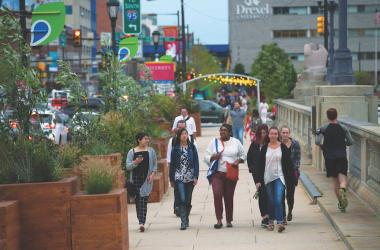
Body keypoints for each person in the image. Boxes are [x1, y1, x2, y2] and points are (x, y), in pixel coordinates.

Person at [205, 124, 245, 229]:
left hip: (230, 173)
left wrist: (238, 161)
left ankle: (229, 220)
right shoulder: (214, 142)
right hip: (217, 173)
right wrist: (214, 157)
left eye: (225, 130)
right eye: (221, 130)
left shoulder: (236, 142)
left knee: (228, 197)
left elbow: (243, 155)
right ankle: (219, 220)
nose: (222, 132)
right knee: (217, 194)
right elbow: (206, 156)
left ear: (230, 132)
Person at [315, 108, 353, 212]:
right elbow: (350, 141)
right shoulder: (343, 128)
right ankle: (343, 189)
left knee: (335, 181)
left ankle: (341, 203)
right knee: (342, 179)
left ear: (327, 116)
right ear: (337, 115)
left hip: (329, 157)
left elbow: (317, 141)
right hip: (341, 155)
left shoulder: (323, 128)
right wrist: (342, 144)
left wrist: (323, 146)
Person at [256, 127, 293, 232]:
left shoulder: (283, 147)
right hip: (267, 178)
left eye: (275, 134)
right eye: (271, 133)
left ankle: (280, 222)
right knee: (271, 200)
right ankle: (271, 221)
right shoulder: (264, 148)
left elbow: (289, 164)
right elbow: (259, 165)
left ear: (278, 135)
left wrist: (290, 178)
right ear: (268, 135)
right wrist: (258, 180)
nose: (273, 135)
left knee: (278, 199)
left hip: (280, 177)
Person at [126, 132, 157, 232]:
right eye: (145, 139)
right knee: (138, 201)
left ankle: (141, 222)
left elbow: (155, 165)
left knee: (143, 201)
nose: (147, 141)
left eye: (148, 139)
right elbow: (128, 166)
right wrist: (136, 162)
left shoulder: (151, 151)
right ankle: (141, 222)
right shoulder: (132, 152)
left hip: (147, 180)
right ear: (139, 140)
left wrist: (152, 175)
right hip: (135, 179)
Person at [169, 128, 199, 230]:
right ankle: (183, 222)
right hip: (179, 177)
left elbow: (196, 162)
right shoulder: (175, 149)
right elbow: (172, 165)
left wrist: (196, 176)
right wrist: (171, 179)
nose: (184, 135)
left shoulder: (192, 147)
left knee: (188, 199)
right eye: (182, 134)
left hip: (190, 177)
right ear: (179, 136)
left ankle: (186, 218)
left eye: (186, 133)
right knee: (181, 198)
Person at [247, 124, 269, 228]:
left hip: (270, 174)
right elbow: (249, 157)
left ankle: (270, 214)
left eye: (264, 133)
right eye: (261, 133)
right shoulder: (255, 144)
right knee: (262, 194)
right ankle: (264, 216)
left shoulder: (270, 144)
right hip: (258, 175)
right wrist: (252, 169)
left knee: (270, 195)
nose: (263, 135)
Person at [280, 126, 301, 223]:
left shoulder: (295, 144)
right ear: (280, 133)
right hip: (280, 172)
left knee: (290, 195)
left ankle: (290, 211)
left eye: (286, 132)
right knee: (280, 194)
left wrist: (295, 169)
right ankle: (282, 215)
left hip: (292, 173)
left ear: (289, 133)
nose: (285, 134)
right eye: (283, 132)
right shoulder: (278, 144)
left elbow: (298, 158)